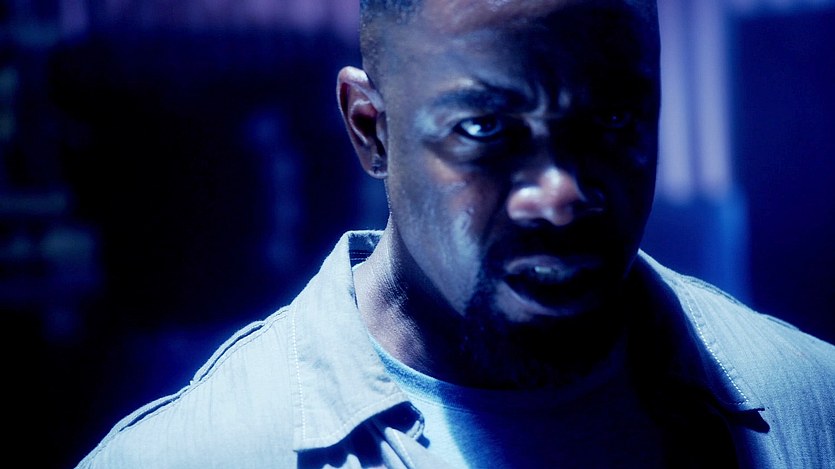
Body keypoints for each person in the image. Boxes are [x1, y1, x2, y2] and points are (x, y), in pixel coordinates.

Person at [76, 0, 835, 467]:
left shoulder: (814, 403)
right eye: (485, 128)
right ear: (370, 129)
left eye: (612, 118)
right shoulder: (190, 456)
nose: (560, 195)